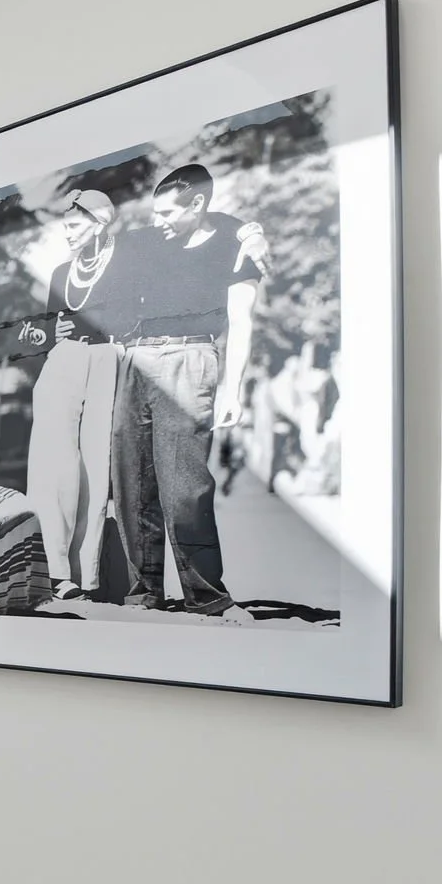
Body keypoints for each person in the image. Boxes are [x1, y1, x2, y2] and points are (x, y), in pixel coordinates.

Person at [108, 164, 263, 617]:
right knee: (131, 480)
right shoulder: (146, 241)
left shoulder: (233, 248)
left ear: (198, 204)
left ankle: (207, 597)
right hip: (136, 359)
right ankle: (143, 593)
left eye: (168, 212)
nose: (158, 221)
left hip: (191, 359)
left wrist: (232, 390)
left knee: (184, 486)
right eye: (154, 212)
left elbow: (243, 320)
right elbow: (105, 245)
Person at [25, 188, 136, 600]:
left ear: (99, 223)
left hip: (109, 361)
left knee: (95, 466)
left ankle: (85, 576)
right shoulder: (59, 273)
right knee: (54, 461)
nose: (67, 233)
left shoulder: (126, 264)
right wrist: (48, 334)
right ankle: (53, 569)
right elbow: (44, 324)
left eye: (73, 225)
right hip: (64, 362)